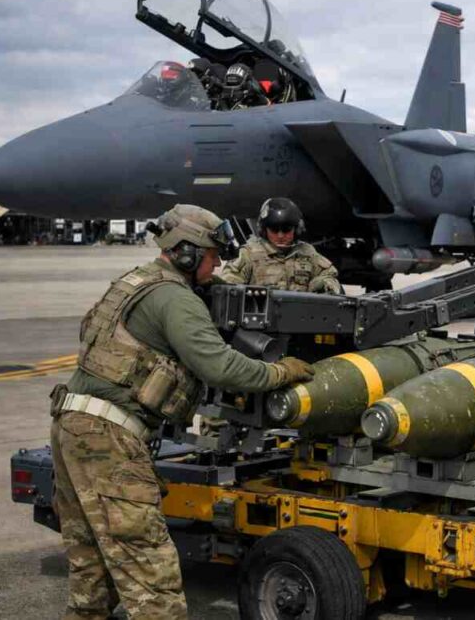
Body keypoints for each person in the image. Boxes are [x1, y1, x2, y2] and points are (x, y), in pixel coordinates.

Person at [50, 204, 316, 619]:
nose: (216, 266)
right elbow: (221, 367)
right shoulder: (175, 298)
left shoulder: (135, 281)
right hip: (109, 440)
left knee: (92, 572)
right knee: (151, 579)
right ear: (188, 253)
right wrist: (280, 372)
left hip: (73, 426)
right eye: (212, 257)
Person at [221, 197, 342, 294]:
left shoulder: (307, 253)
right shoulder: (248, 254)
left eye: (286, 230)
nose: (280, 235)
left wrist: (325, 283)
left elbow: (330, 276)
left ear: (297, 230)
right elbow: (228, 287)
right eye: (274, 230)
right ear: (264, 230)